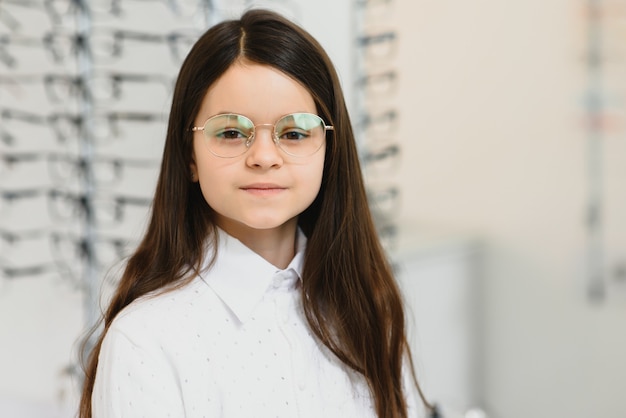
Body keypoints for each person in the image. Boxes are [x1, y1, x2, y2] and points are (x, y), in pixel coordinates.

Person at [78, 8, 431, 418]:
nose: (264, 157)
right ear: (188, 157)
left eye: (295, 132)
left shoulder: (370, 310)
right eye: (231, 132)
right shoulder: (145, 340)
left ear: (329, 151)